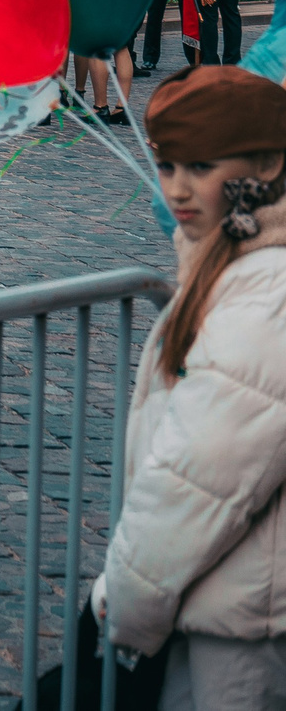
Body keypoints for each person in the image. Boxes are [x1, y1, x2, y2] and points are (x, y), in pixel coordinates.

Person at [93, 65, 286, 711]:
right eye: (167, 164)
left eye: (200, 166)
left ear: (268, 163)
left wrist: (123, 602)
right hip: (229, 603)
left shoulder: (267, 290)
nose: (176, 187)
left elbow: (199, 478)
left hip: (244, 626)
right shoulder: (231, 262)